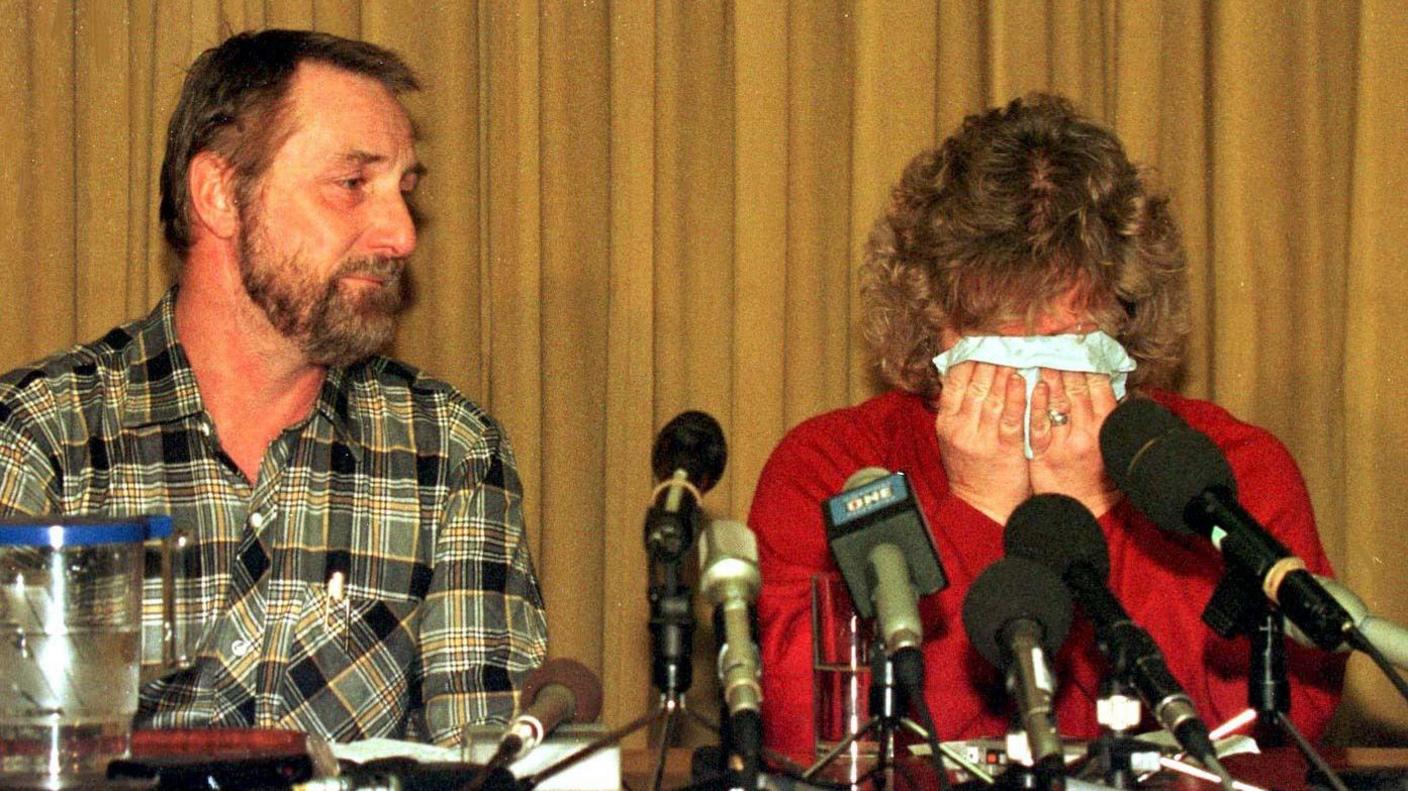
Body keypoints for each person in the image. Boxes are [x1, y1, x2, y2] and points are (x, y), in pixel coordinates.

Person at [749, 94, 1344, 763]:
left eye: (1063, 344)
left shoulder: (1223, 470)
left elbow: (1266, 733)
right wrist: (977, 511)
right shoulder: (833, 466)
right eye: (995, 346)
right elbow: (819, 733)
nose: (1029, 380)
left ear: (1127, 322)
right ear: (927, 321)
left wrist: (1087, 514)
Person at [0, 29, 547, 745]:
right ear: (221, 194)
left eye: (403, 191)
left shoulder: (447, 453)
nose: (401, 233)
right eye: (353, 184)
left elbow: (486, 756)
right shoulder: (44, 436)